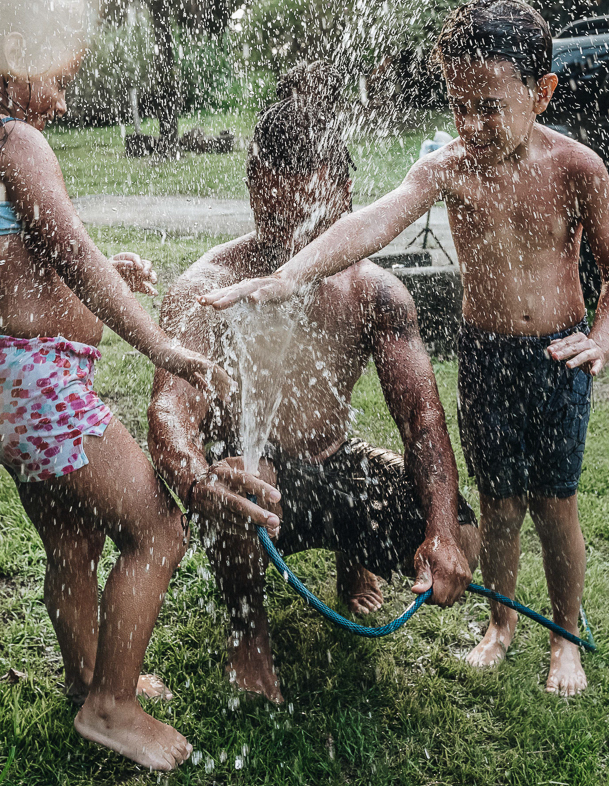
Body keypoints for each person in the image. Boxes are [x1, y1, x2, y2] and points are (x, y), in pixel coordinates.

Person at [198, 0, 609, 697]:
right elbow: (371, 224)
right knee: (497, 506)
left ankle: (563, 637)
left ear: (543, 91)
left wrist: (603, 340)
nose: (472, 126)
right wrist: (285, 276)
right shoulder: (450, 168)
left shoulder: (576, 168)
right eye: (460, 105)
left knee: (555, 506)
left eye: (490, 106)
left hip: (559, 356)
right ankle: (500, 626)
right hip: (487, 355)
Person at [0, 0, 228, 769]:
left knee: (74, 541)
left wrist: (100, 275)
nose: (61, 101)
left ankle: (84, 675)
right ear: (17, 48)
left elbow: (12, 263)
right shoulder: (15, 140)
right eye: (57, 79)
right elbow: (82, 269)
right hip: (36, 383)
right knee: (157, 526)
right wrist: (162, 341)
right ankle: (112, 705)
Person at [148, 62, 480, 704]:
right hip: (252, 477)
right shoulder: (204, 290)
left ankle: (354, 564)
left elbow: (422, 422)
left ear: (346, 196)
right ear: (251, 187)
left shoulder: (375, 292)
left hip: (335, 458)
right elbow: (169, 409)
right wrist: (199, 480)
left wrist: (438, 528)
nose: (288, 240)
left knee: (465, 536)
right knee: (248, 481)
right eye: (272, 216)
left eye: (306, 219)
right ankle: (247, 635)